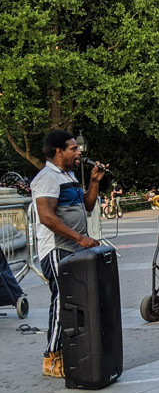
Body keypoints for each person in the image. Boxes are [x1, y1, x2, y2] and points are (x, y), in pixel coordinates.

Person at [30, 130, 106, 378]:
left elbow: (88, 205)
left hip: (73, 248)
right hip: (57, 248)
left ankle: (70, 352)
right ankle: (51, 358)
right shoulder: (47, 178)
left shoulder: (68, 175)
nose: (78, 152)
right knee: (62, 299)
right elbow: (47, 217)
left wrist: (94, 182)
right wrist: (80, 238)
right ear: (58, 151)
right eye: (73, 148)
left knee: (75, 300)